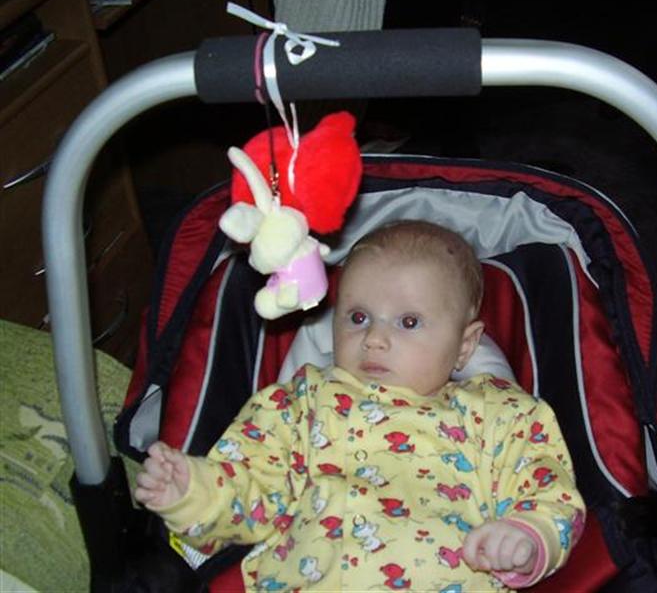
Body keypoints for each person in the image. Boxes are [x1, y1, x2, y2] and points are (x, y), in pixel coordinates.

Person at [135, 220, 585, 591]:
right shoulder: (300, 402)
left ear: (465, 346)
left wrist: (527, 535)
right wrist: (192, 491)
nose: (374, 338)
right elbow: (252, 486)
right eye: (358, 317)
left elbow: (550, 492)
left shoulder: (499, 414)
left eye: (409, 321)